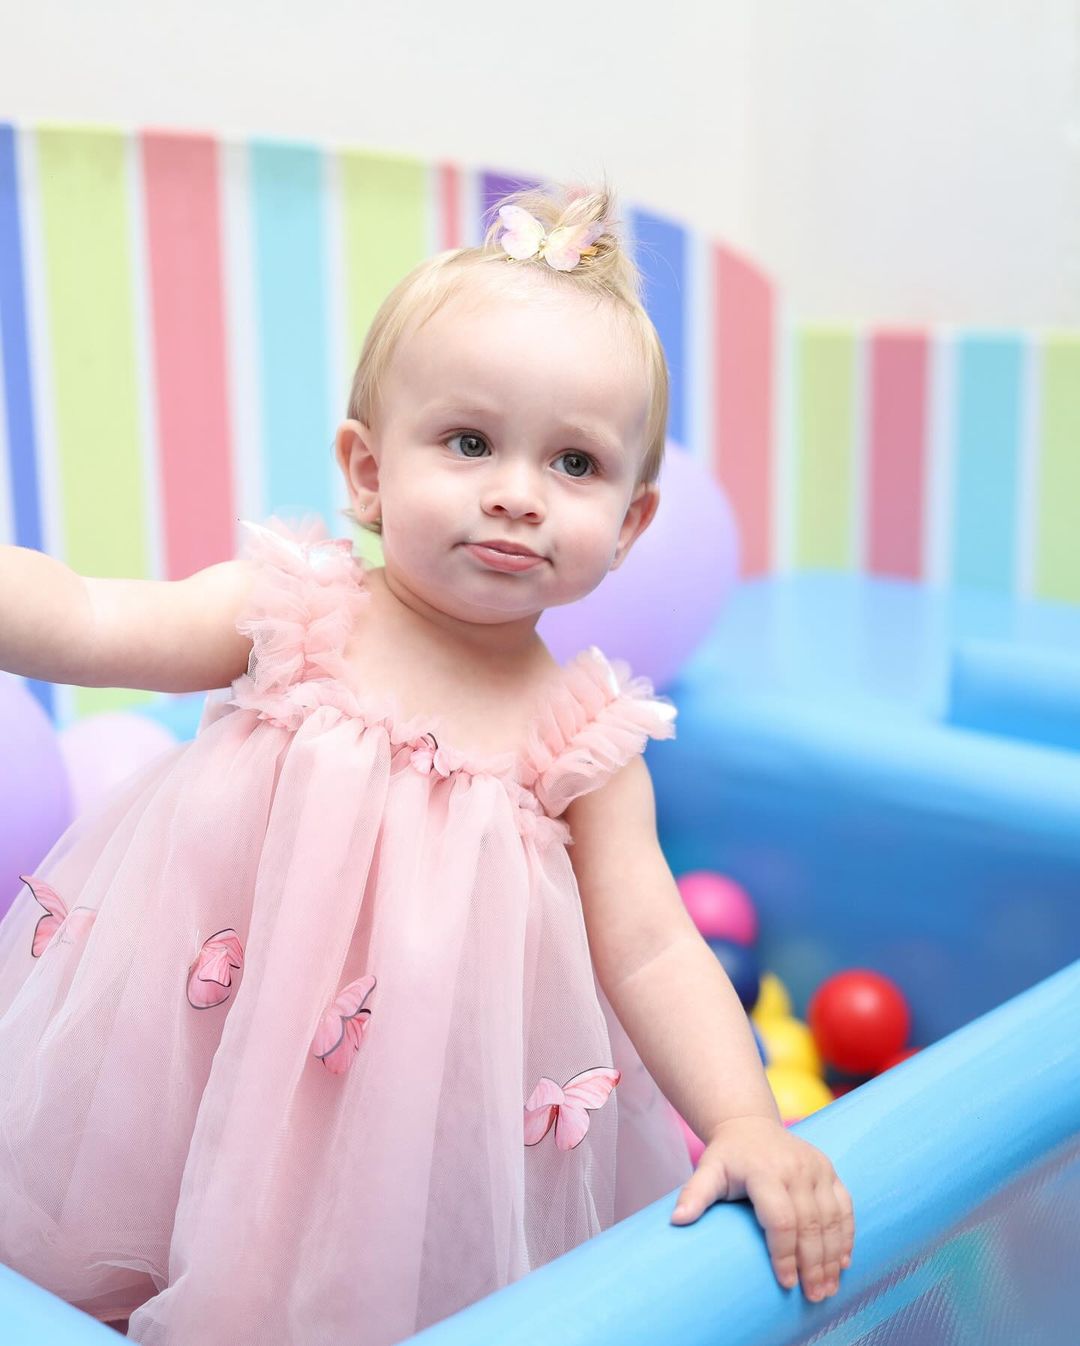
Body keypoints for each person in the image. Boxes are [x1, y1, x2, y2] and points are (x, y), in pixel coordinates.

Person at [0, 185, 853, 1345]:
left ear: (634, 523)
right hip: (204, 1053)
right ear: (366, 469)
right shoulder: (293, 610)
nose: (516, 489)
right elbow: (96, 616)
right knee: (115, 1250)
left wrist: (749, 1119)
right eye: (468, 441)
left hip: (398, 1130)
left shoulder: (581, 738)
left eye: (574, 462)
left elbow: (653, 944)